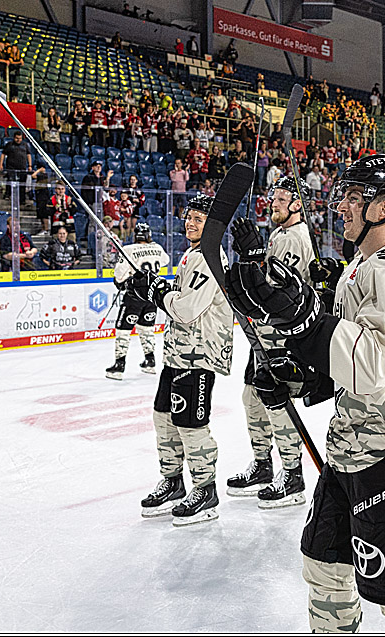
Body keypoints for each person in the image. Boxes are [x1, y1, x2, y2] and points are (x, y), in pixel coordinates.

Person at [223, 153, 385, 632]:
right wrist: (300, 375)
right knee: (325, 570)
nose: (341, 206)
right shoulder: (362, 266)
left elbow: (370, 363)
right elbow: (345, 362)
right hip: (351, 451)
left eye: (353, 197)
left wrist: (305, 321)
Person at [127, 195, 233, 526]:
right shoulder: (192, 255)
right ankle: (172, 481)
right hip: (178, 353)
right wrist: (155, 289)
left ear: (212, 226)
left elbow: (187, 310)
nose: (190, 223)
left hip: (199, 355)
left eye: (198, 219)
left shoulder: (209, 258)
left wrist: (157, 292)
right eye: (189, 217)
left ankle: (205, 489)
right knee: (163, 415)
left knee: (191, 423)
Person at [225, 176, 316, 506]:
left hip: (282, 338)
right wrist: (252, 256)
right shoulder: (279, 233)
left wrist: (255, 258)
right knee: (252, 399)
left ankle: (293, 475)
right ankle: (263, 465)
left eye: (280, 199)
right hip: (263, 335)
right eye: (273, 198)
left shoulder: (296, 237)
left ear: (296, 204)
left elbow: (276, 290)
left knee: (278, 403)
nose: (273, 203)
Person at [106, 223, 170, 379]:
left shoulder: (128, 250)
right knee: (146, 329)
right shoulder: (158, 249)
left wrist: (120, 282)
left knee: (123, 329)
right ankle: (150, 361)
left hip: (134, 296)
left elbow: (119, 276)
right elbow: (166, 260)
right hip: (151, 297)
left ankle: (119, 366)